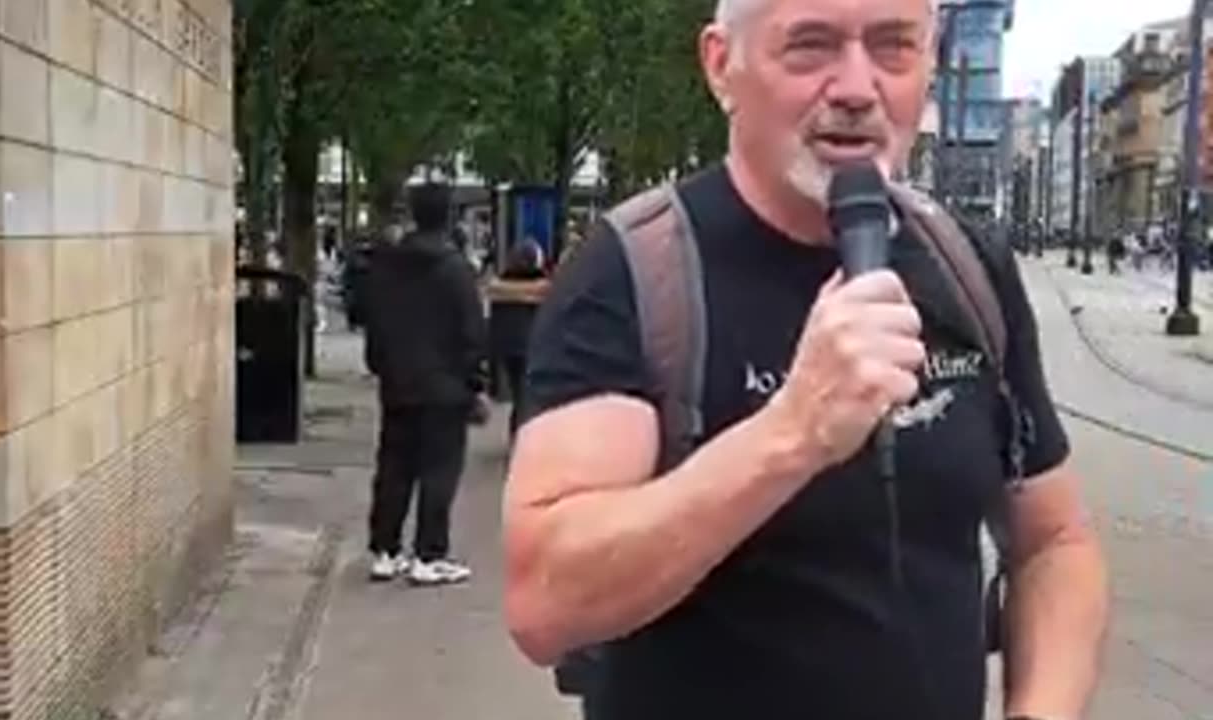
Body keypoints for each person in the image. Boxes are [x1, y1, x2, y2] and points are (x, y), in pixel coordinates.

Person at [502, 1, 1108, 719]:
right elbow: (545, 601)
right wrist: (792, 431)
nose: (857, 87)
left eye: (893, 47)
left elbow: (1055, 543)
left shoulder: (967, 267)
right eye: (812, 46)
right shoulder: (634, 271)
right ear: (721, 65)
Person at [363, 183, 486, 586]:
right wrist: (474, 383)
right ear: (450, 215)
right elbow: (471, 332)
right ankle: (429, 555)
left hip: (397, 383)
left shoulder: (387, 265)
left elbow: (374, 323)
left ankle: (385, 550)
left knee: (394, 467)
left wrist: (382, 366)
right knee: (439, 471)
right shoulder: (456, 270)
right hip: (445, 388)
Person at [487, 240, 551, 435]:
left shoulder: (498, 286)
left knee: (518, 392)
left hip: (508, 347)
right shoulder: (545, 287)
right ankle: (522, 436)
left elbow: (495, 319)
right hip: (533, 346)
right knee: (527, 396)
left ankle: (517, 432)